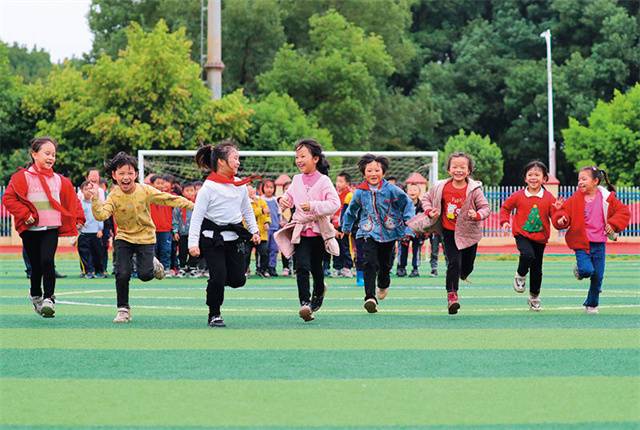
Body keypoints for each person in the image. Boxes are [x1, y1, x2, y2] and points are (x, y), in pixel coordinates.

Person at [89, 152, 194, 323]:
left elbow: (168, 199)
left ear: (136, 174)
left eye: (130, 173)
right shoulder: (114, 196)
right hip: (124, 238)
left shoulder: (145, 190)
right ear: (114, 175)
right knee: (122, 273)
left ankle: (153, 263)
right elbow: (101, 215)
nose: (126, 177)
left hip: (145, 237)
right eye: (121, 173)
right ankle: (123, 310)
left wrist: (193, 206)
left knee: (145, 275)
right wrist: (94, 199)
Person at [3, 136, 85, 318]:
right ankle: (35, 295)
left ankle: (49, 299)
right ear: (34, 155)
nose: (51, 158)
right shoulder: (21, 178)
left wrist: (79, 218)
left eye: (53, 154)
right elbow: (8, 198)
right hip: (30, 230)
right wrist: (25, 214)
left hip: (51, 228)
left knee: (48, 261)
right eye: (47, 153)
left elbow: (73, 201)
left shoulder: (59, 180)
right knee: (36, 266)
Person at [188, 141, 261, 327]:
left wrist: (255, 231)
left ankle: (218, 280)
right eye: (235, 158)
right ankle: (214, 313)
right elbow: (197, 217)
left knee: (238, 280)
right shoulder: (208, 188)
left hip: (234, 238)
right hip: (212, 239)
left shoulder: (240, 185)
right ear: (221, 161)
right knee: (218, 276)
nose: (238, 162)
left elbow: (247, 210)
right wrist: (192, 243)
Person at [408, 152, 491, 314]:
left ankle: (462, 274)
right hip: (450, 232)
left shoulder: (474, 189)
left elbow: (485, 208)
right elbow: (426, 199)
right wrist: (429, 211)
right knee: (454, 263)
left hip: (469, 233)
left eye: (462, 167)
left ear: (469, 170)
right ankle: (452, 295)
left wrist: (477, 215)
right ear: (448, 169)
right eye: (455, 167)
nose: (458, 170)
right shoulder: (441, 187)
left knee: (467, 266)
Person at [275, 138, 340, 322]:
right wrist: (282, 201)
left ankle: (319, 291)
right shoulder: (296, 180)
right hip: (301, 231)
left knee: (316, 268)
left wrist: (314, 205)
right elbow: (288, 197)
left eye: (303, 156)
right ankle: (305, 303)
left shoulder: (324, 181)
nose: (299, 160)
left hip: (319, 232)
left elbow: (334, 204)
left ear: (315, 159)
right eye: (297, 157)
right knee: (301, 266)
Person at [342, 154, 415, 313]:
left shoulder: (392, 190)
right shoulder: (360, 192)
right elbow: (351, 210)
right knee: (369, 262)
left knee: (385, 265)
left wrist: (410, 227)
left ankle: (383, 284)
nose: (373, 173)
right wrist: (346, 227)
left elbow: (408, 205)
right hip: (368, 231)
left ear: (383, 173)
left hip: (390, 232)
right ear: (364, 174)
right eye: (369, 171)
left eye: (377, 170)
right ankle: (370, 297)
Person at [552, 166, 630, 314]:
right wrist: (561, 219)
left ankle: (592, 304)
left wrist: (613, 224)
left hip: (600, 244)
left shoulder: (607, 198)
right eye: (579, 179)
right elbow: (563, 213)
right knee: (587, 271)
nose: (580, 182)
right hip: (582, 243)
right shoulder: (575, 199)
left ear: (595, 181)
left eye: (584, 179)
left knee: (598, 277)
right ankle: (580, 269)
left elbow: (623, 212)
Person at [500, 161, 561, 311]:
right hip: (522, 234)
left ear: (544, 179)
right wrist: (504, 222)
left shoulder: (549, 198)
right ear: (525, 178)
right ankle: (520, 275)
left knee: (537, 269)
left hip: (541, 238)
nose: (533, 178)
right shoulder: (518, 196)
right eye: (530, 175)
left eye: (537, 175)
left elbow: (556, 218)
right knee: (527, 255)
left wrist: (560, 217)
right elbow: (505, 208)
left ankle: (534, 298)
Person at [78, 180, 106, 278]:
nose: (88, 192)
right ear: (82, 191)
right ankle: (87, 271)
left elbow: (100, 216)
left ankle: (99, 270)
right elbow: (77, 218)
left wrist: (100, 229)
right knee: (85, 253)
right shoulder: (80, 204)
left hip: (95, 232)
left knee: (98, 253)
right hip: (84, 233)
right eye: (85, 189)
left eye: (90, 189)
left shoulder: (97, 204)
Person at [397, 183, 425, 278]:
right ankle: (401, 268)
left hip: (417, 232)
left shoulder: (423, 206)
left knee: (416, 250)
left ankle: (415, 268)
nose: (412, 192)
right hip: (404, 231)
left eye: (415, 190)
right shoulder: (402, 205)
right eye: (410, 190)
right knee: (402, 249)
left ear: (419, 193)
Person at [330, 172, 354, 278]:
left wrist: (345, 226)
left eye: (341, 182)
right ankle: (337, 268)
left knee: (346, 247)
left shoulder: (349, 195)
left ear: (347, 183)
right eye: (337, 181)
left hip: (344, 227)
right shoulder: (333, 193)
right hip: (334, 226)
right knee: (335, 247)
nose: (338, 184)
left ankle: (347, 268)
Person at [172, 181, 199, 277]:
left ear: (195, 192)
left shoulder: (198, 204)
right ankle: (182, 267)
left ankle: (193, 267)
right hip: (182, 232)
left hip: (194, 233)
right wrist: (175, 231)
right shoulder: (179, 204)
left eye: (192, 190)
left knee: (194, 250)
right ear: (182, 192)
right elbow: (175, 218)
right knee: (182, 251)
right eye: (187, 191)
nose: (190, 193)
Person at [149, 174, 174, 277]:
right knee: (152, 251)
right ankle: (152, 270)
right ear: (152, 184)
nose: (160, 185)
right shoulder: (148, 197)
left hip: (165, 229)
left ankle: (166, 268)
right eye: (158, 183)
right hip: (152, 230)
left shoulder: (167, 197)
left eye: (162, 183)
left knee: (166, 250)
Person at [244, 183, 271, 278]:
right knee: (246, 253)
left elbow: (267, 213)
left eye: (252, 190)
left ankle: (263, 270)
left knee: (264, 252)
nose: (251, 192)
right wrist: (262, 210)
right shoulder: (244, 202)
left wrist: (267, 223)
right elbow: (250, 213)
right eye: (249, 191)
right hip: (248, 233)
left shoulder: (261, 201)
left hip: (261, 232)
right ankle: (245, 270)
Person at [261, 178, 282, 277]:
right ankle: (262, 267)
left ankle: (272, 267)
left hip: (275, 228)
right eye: (267, 187)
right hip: (263, 229)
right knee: (264, 250)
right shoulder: (260, 200)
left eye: (271, 187)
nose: (269, 190)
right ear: (263, 188)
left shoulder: (276, 200)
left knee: (274, 249)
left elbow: (279, 214)